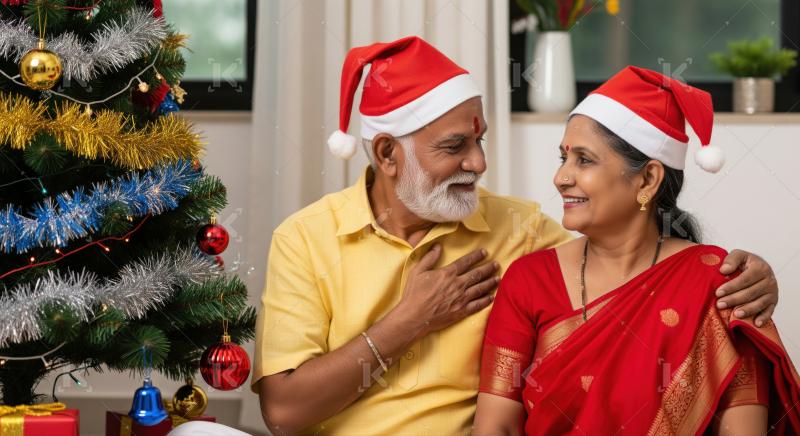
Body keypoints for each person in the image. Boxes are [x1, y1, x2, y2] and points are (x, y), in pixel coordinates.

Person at [253, 37, 781, 435]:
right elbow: (284, 413)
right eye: (456, 145)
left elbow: (626, 258)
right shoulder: (305, 239)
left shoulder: (521, 233)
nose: (479, 163)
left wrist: (753, 276)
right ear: (388, 154)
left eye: (480, 140)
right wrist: (409, 322)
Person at [473, 66, 800, 435]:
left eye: (584, 160)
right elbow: (496, 426)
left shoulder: (717, 283)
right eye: (563, 158)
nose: (561, 177)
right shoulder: (529, 279)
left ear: (647, 179)